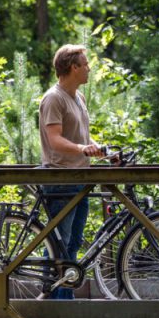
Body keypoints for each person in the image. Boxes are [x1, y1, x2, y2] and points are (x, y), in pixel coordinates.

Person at [39, 44, 103, 299]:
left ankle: (64, 297)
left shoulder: (79, 97)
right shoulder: (53, 98)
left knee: (73, 242)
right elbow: (54, 139)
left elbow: (81, 136)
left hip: (80, 177)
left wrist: (96, 148)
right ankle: (54, 301)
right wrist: (82, 148)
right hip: (60, 177)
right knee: (58, 243)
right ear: (73, 67)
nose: (88, 68)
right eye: (85, 64)